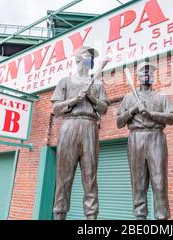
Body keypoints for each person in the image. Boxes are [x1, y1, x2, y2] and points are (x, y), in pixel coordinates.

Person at [51, 46, 109, 220]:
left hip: (90, 126)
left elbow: (104, 108)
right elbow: (56, 108)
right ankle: (59, 215)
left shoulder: (97, 84)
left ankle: (91, 218)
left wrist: (91, 97)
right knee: (64, 177)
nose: (90, 60)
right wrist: (74, 100)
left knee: (90, 176)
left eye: (92, 58)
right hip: (69, 125)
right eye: (86, 56)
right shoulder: (65, 82)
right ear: (77, 59)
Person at [116, 62, 173, 220]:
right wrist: (132, 110)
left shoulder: (161, 97)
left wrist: (151, 114)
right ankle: (140, 217)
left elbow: (171, 118)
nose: (147, 75)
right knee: (138, 183)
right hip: (136, 138)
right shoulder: (129, 98)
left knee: (159, 182)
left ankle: (162, 218)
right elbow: (119, 122)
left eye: (150, 72)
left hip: (156, 136)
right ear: (138, 77)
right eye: (144, 72)